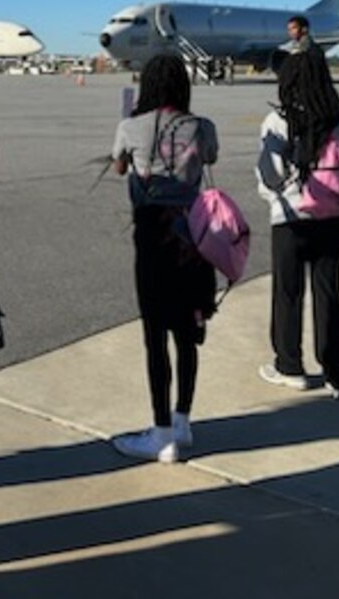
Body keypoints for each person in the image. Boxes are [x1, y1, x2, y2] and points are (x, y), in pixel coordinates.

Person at [109, 54, 219, 463]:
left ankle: (161, 432)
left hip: (152, 239)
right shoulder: (201, 126)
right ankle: (183, 420)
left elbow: (120, 167)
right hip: (192, 238)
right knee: (188, 332)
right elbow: (210, 158)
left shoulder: (130, 126)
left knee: (154, 334)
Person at [255, 50, 339, 400]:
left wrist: (276, 195)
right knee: (329, 291)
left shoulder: (279, 119)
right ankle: (338, 374)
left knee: (288, 292)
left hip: (293, 219)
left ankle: (290, 366)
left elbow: (270, 175)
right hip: (336, 217)